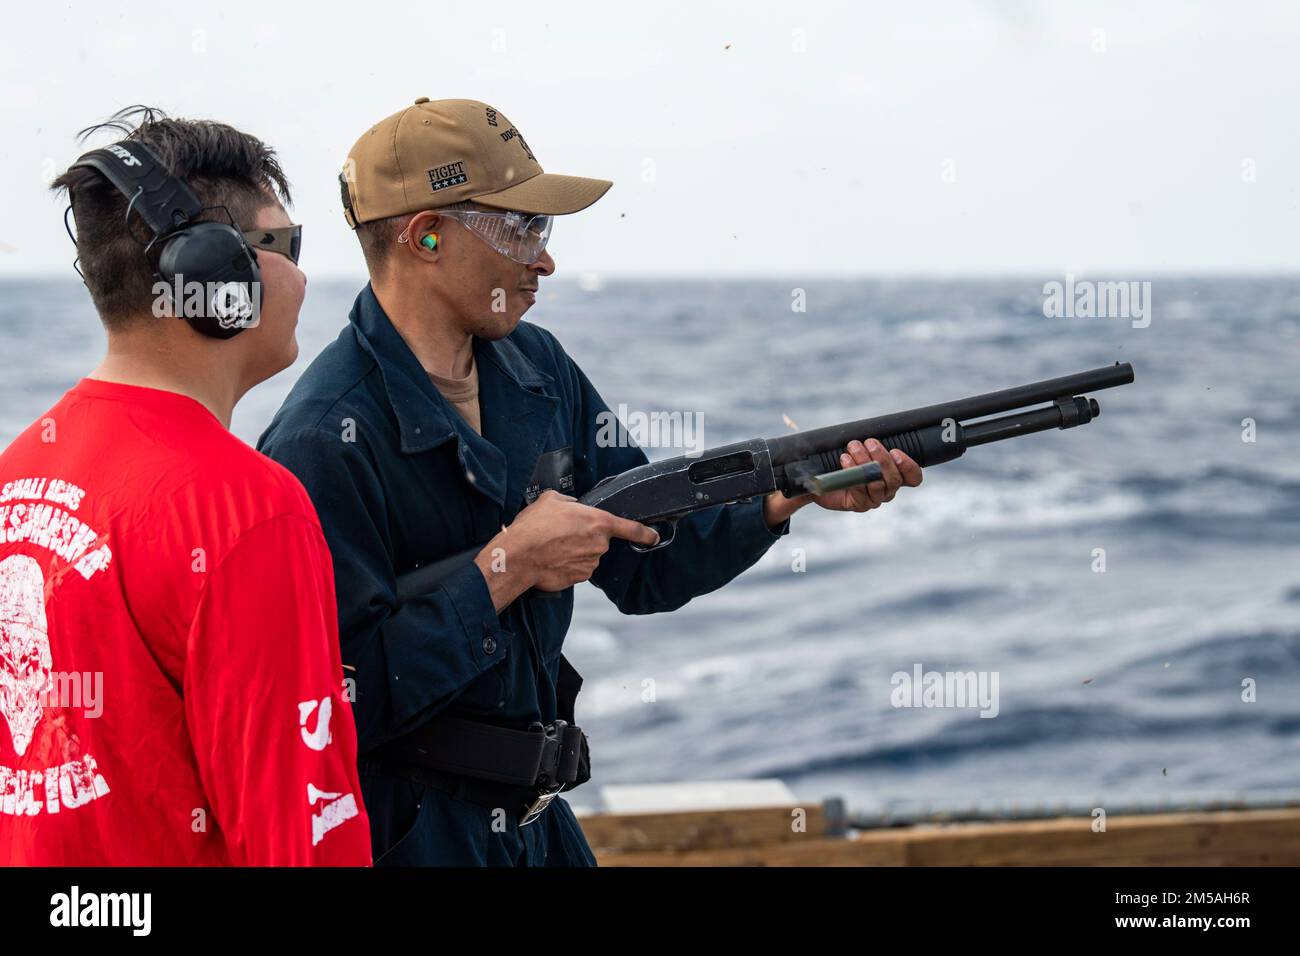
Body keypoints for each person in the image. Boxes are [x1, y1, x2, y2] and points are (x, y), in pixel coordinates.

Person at [258, 97, 921, 866]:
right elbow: (329, 712)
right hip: (414, 838)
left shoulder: (537, 369)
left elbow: (649, 559)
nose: (543, 260)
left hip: (540, 825)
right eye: (521, 227)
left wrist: (789, 493)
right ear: (425, 235)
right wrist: (506, 570)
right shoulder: (322, 439)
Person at [0, 108, 370, 865]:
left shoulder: (16, 473)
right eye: (286, 244)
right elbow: (301, 834)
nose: (302, 273)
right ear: (212, 271)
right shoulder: (246, 510)